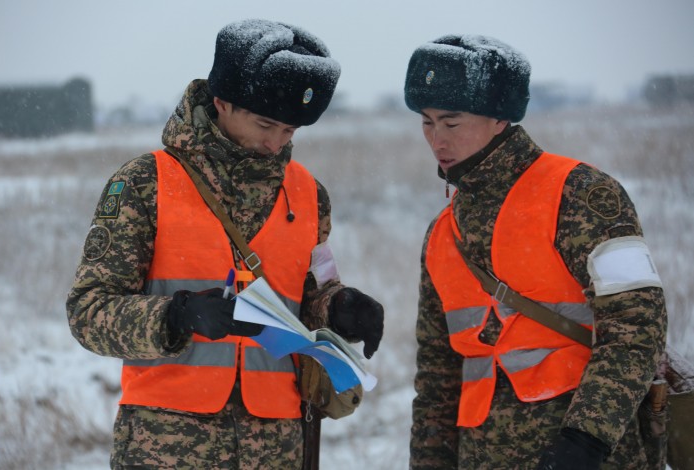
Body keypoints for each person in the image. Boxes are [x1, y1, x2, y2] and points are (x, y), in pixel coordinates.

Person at [67, 19, 384, 469]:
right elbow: (88, 312)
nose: (275, 144)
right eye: (265, 124)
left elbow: (308, 301)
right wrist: (176, 316)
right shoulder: (146, 183)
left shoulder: (309, 195)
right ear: (221, 102)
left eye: (290, 131)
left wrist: (339, 309)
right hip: (167, 447)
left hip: (277, 447)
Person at [404, 35, 667, 469]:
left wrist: (586, 439)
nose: (436, 139)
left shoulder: (578, 194)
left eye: (451, 123)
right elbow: (438, 377)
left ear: (500, 119)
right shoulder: (442, 233)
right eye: (427, 123)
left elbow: (637, 325)